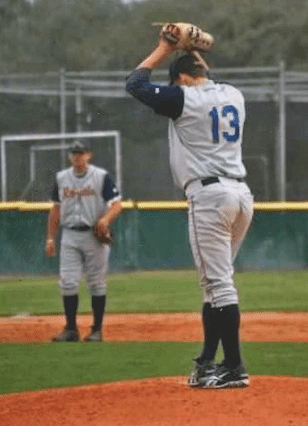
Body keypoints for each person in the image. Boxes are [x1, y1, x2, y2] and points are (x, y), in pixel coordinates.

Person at [126, 38, 254, 388]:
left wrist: (164, 47)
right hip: (241, 195)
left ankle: (234, 367)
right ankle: (207, 362)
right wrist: (195, 50)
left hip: (210, 196)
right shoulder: (234, 94)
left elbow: (134, 84)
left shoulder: (183, 98)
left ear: (180, 79)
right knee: (213, 286)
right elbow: (205, 76)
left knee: (219, 286)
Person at [45, 140, 123, 342]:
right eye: (74, 153)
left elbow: (116, 204)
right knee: (68, 282)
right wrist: (50, 238)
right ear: (69, 156)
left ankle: (96, 330)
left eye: (81, 153)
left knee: (96, 283)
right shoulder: (62, 178)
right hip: (69, 234)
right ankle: (71, 329)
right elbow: (55, 209)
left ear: (89, 155)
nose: (77, 157)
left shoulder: (101, 176)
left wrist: (105, 220)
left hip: (93, 235)